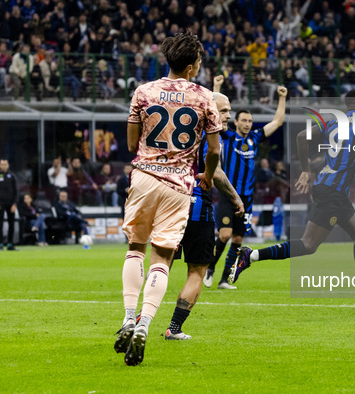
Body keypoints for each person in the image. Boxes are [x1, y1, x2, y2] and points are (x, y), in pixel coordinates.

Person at [231, 90, 355, 314]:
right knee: (309, 245)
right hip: (332, 192)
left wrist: (307, 171)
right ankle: (250, 255)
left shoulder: (333, 122)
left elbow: (301, 137)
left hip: (330, 189)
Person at [114, 32, 221, 367]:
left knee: (135, 249)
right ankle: (146, 324)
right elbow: (215, 150)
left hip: (144, 177)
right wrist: (206, 172)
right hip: (179, 186)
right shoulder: (205, 97)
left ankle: (129, 318)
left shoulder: (143, 92)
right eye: (199, 63)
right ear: (191, 67)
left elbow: (133, 142)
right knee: (162, 258)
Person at [165, 88, 244, 340]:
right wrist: (235, 197)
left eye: (229, 111)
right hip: (198, 207)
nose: (228, 115)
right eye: (224, 111)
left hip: (170, 203)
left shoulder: (180, 128)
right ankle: (174, 328)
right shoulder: (210, 136)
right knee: (197, 271)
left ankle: (137, 321)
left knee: (160, 266)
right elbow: (217, 172)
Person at [204, 75, 287, 290]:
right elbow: (213, 114)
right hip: (228, 194)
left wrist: (282, 98)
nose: (248, 124)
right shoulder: (228, 136)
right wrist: (217, 88)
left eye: (250, 121)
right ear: (236, 122)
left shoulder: (255, 138)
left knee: (238, 240)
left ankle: (224, 279)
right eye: (244, 121)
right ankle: (210, 267)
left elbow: (277, 122)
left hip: (247, 198)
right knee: (224, 234)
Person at [0, 158, 17, 251]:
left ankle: (10, 244)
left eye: (5, 164)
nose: (4, 166)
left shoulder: (12, 176)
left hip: (10, 203)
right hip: (0, 203)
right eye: (2, 164)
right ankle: (0, 244)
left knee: (11, 224)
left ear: (8, 165)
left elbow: (16, 191)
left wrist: (15, 204)